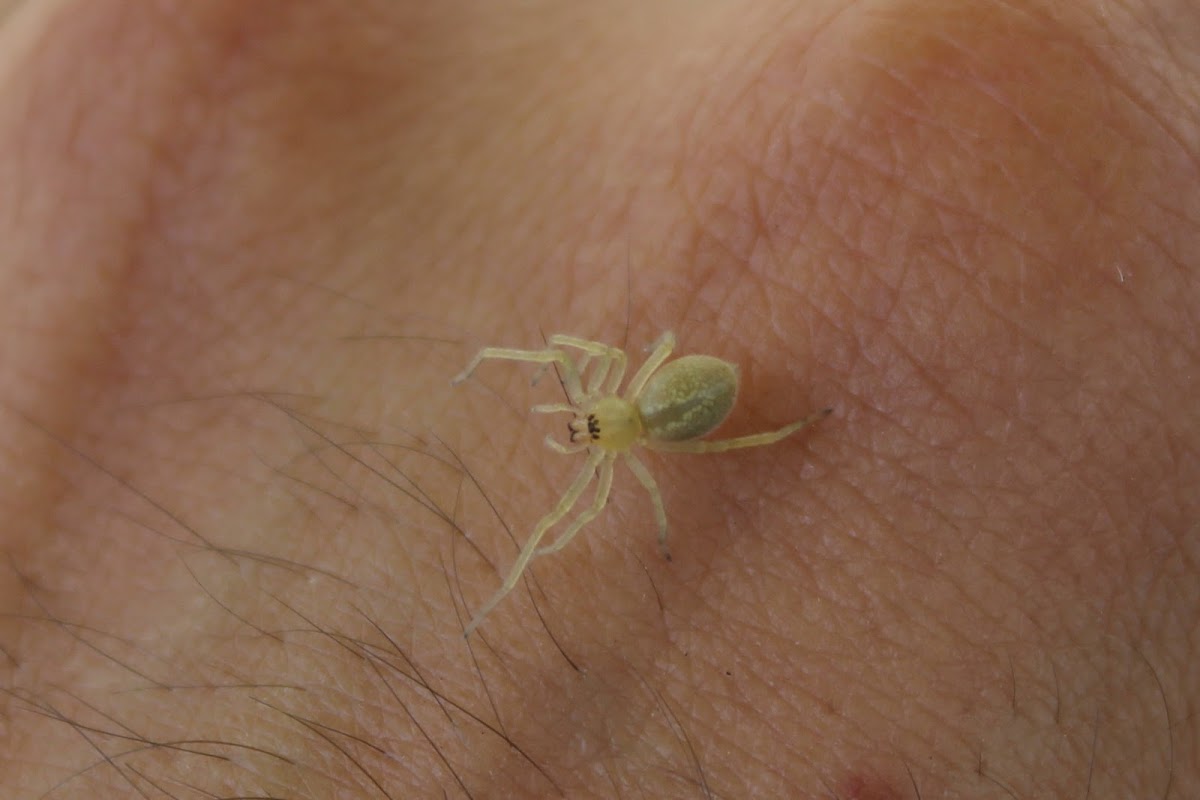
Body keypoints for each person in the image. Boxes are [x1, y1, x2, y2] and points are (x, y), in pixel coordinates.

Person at [1, 2, 1195, 797]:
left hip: (690, 398)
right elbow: (578, 418)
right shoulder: (606, 433)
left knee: (696, 458)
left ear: (602, 416)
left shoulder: (620, 427)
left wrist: (561, 421)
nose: (580, 425)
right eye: (584, 422)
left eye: (584, 418)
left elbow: (594, 400)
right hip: (682, 400)